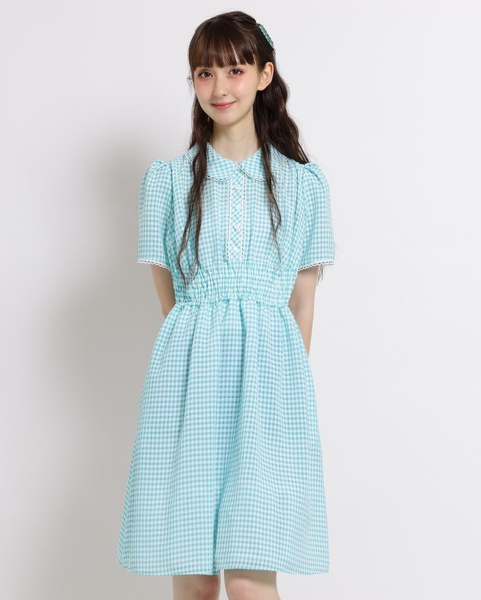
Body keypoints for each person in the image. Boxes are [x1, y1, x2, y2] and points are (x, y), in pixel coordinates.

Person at [117, 10, 337, 600]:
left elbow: (303, 299)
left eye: (235, 70)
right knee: (194, 581)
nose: (219, 87)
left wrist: (284, 387)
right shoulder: (167, 181)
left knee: (247, 580)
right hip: (188, 384)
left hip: (270, 386)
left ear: (264, 75)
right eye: (205, 72)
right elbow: (171, 297)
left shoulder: (303, 185)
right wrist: (200, 349)